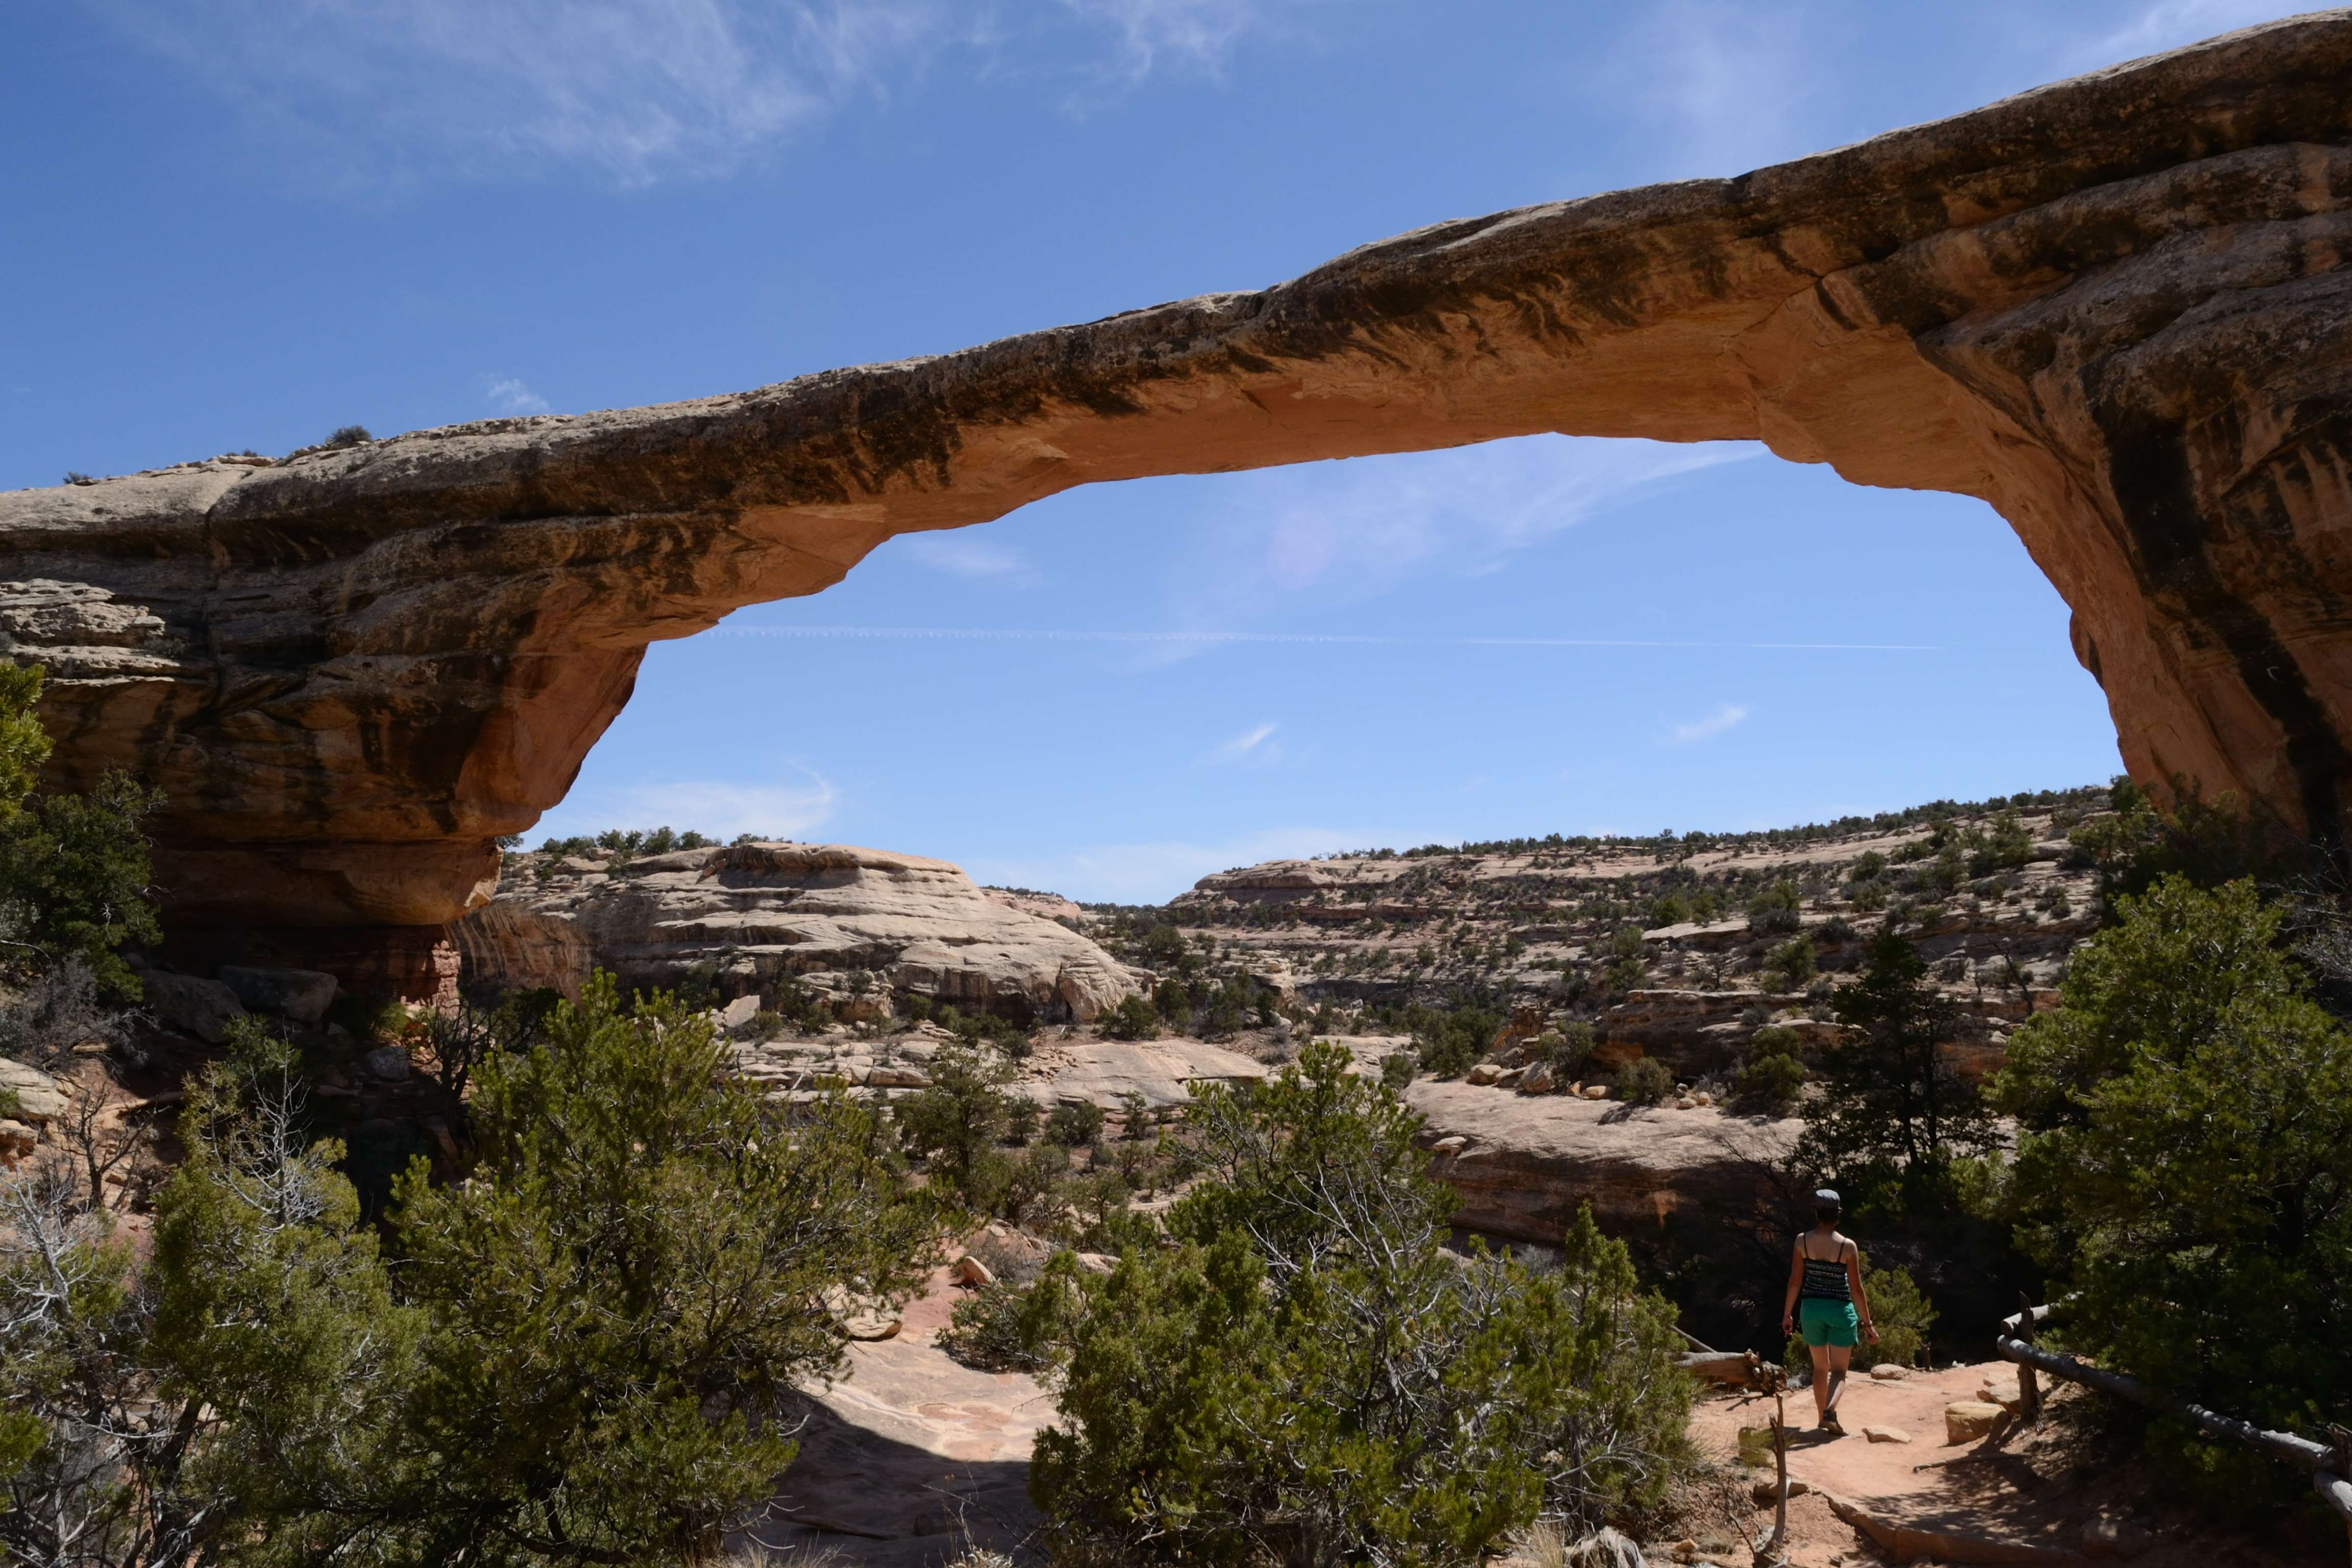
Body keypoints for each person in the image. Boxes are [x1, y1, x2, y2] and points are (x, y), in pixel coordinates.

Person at [1781, 1188, 1876, 1435]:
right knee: (1840, 1371)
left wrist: (1787, 1314)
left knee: (1820, 1368)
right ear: (1838, 1215)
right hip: (1840, 1311)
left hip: (1811, 1310)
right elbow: (1857, 1289)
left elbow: (1795, 1281)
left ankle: (1822, 1418)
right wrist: (1868, 1323)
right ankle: (1830, 1411)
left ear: (1816, 1212)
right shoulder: (1847, 1246)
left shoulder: (1802, 1241)